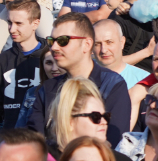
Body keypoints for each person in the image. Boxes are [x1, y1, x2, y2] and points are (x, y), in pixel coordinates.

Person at [26, 13, 131, 146]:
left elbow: (115, 143)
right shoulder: (47, 89)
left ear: (87, 44)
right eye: (51, 41)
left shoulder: (112, 85)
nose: (54, 47)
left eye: (63, 41)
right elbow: (35, 143)